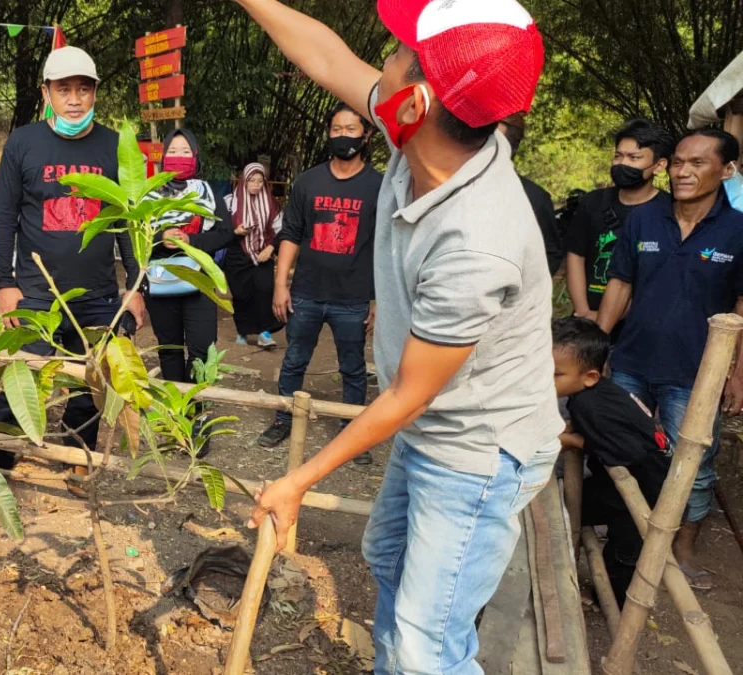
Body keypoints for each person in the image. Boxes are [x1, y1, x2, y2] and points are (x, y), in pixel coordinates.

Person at [233, 0, 562, 672]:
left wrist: (297, 480)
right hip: (434, 421)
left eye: (396, 53)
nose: (381, 63)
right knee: (386, 555)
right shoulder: (417, 132)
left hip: (475, 447)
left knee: (427, 642)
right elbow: (325, 57)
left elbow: (410, 392)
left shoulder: (479, 240)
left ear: (420, 96)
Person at [0, 45, 144, 480]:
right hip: (36, 291)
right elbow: (4, 218)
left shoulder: (115, 146)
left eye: (83, 89)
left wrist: (135, 288)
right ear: (46, 93)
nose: (74, 99)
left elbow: (128, 225)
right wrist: (5, 282)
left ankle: (77, 461)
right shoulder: (22, 143)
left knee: (88, 380)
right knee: (24, 377)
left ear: (95, 92)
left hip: (96, 292)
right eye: (64, 89)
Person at [597, 128, 743, 590]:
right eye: (678, 161)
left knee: (693, 465)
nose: (683, 171)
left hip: (696, 373)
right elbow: (620, 284)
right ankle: (618, 530)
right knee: (617, 446)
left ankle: (682, 547)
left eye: (698, 163)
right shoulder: (644, 219)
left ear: (728, 170)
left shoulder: (738, 231)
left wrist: (737, 372)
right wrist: (596, 349)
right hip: (632, 361)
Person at [259, 102, 382, 463]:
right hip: (308, 293)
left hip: (353, 297)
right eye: (337, 130)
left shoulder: (379, 186)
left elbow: (383, 245)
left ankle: (352, 432)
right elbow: (292, 234)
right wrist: (281, 284)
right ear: (329, 134)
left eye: (351, 129)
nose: (344, 136)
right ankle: (284, 418)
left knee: (353, 367)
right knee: (295, 359)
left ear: (366, 135)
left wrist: (377, 299)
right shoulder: (308, 182)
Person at [552, 317, 671, 606]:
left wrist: (574, 442)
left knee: (623, 552)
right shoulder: (598, 392)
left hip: (645, 493)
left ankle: (614, 601)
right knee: (571, 510)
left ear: (590, 376)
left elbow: (628, 452)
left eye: (555, 374)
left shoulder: (587, 404)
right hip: (621, 483)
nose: (544, 381)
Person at [144, 129, 234, 386]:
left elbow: (226, 233)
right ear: (163, 157)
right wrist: (161, 237)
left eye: (185, 152)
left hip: (199, 281)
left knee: (202, 348)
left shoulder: (207, 193)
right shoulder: (149, 195)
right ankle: (175, 410)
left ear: (195, 156)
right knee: (169, 348)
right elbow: (134, 239)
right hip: (161, 281)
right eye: (172, 152)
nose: (178, 157)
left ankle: (197, 408)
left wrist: (192, 241)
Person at [566, 119, 673, 326]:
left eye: (634, 158)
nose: (623, 163)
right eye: (618, 156)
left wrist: (610, 317)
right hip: (587, 317)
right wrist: (583, 311)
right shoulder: (593, 202)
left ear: (659, 165)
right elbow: (575, 256)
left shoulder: (669, 211)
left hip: (639, 322)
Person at [223, 162, 284, 348]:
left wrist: (271, 248)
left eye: (260, 181)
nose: (256, 185)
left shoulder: (271, 202)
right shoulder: (230, 202)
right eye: (252, 180)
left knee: (264, 291)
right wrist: (235, 231)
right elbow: (218, 229)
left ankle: (264, 333)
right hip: (237, 255)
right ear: (244, 181)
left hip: (262, 254)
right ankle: (242, 331)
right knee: (241, 295)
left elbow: (281, 229)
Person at [499, 113, 563, 275]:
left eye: (493, 142)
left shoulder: (534, 198)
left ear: (510, 148)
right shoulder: (453, 188)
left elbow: (551, 254)